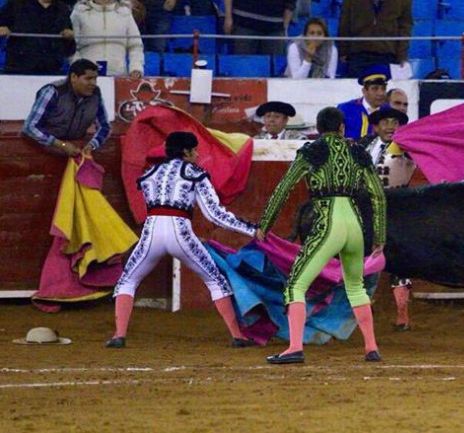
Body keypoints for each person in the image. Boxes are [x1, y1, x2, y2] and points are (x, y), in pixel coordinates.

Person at [256, 107, 387, 364]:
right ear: (341, 128)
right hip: (355, 224)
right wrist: (379, 235)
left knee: (296, 285)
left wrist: (266, 223)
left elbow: (284, 188)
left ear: (319, 129)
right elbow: (378, 196)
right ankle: (371, 347)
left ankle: (294, 347)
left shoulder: (312, 151)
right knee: (356, 286)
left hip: (329, 221)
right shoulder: (358, 152)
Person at [106, 132, 258, 349]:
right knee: (215, 280)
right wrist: (251, 229)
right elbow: (214, 214)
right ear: (186, 152)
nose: (197, 155)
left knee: (127, 280)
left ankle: (118, 335)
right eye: (194, 150)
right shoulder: (196, 173)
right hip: (180, 232)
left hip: (152, 232)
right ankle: (237, 336)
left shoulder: (150, 173)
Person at [359, 106, 414, 330]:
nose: (390, 126)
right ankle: (363, 310)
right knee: (360, 258)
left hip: (397, 211)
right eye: (385, 122)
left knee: (399, 263)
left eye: (395, 122)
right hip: (366, 209)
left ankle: (402, 316)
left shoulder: (409, 147)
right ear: (376, 126)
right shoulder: (364, 145)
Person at [23, 59, 111, 158]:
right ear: (73, 77)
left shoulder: (95, 94)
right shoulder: (52, 91)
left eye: (95, 79)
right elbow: (30, 127)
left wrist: (92, 145)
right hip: (43, 149)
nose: (93, 83)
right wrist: (61, 145)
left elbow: (104, 126)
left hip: (75, 149)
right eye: (88, 78)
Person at [338, 0, 412, 78]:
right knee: (356, 88)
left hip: (387, 54)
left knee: (383, 87)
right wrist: (343, 51)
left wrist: (402, 55)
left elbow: (405, 28)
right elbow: (344, 23)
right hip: (358, 54)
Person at [70, 0, 144, 78]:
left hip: (118, 75)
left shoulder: (125, 13)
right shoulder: (79, 12)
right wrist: (78, 70)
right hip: (86, 77)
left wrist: (136, 68)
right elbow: (72, 46)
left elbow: (135, 46)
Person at [0, 0, 76, 75]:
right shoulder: (15, 5)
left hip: (51, 71)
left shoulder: (62, 9)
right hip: (18, 70)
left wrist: (69, 38)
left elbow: (69, 50)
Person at [337, 64, 389, 140]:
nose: (380, 93)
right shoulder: (345, 109)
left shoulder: (389, 111)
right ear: (364, 91)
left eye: (383, 89)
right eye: (375, 89)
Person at [224, 0, 295, 56]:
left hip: (275, 28)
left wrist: (284, 27)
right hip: (243, 24)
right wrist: (228, 17)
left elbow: (290, 4)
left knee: (275, 70)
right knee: (243, 66)